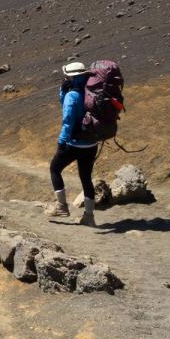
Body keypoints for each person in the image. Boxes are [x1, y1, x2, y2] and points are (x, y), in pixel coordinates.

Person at [46, 62, 97, 226]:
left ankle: (61, 206)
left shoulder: (72, 96)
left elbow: (67, 120)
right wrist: (63, 91)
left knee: (55, 169)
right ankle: (89, 217)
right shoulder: (91, 92)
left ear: (71, 77)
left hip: (74, 144)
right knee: (86, 178)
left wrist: (62, 141)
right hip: (91, 143)